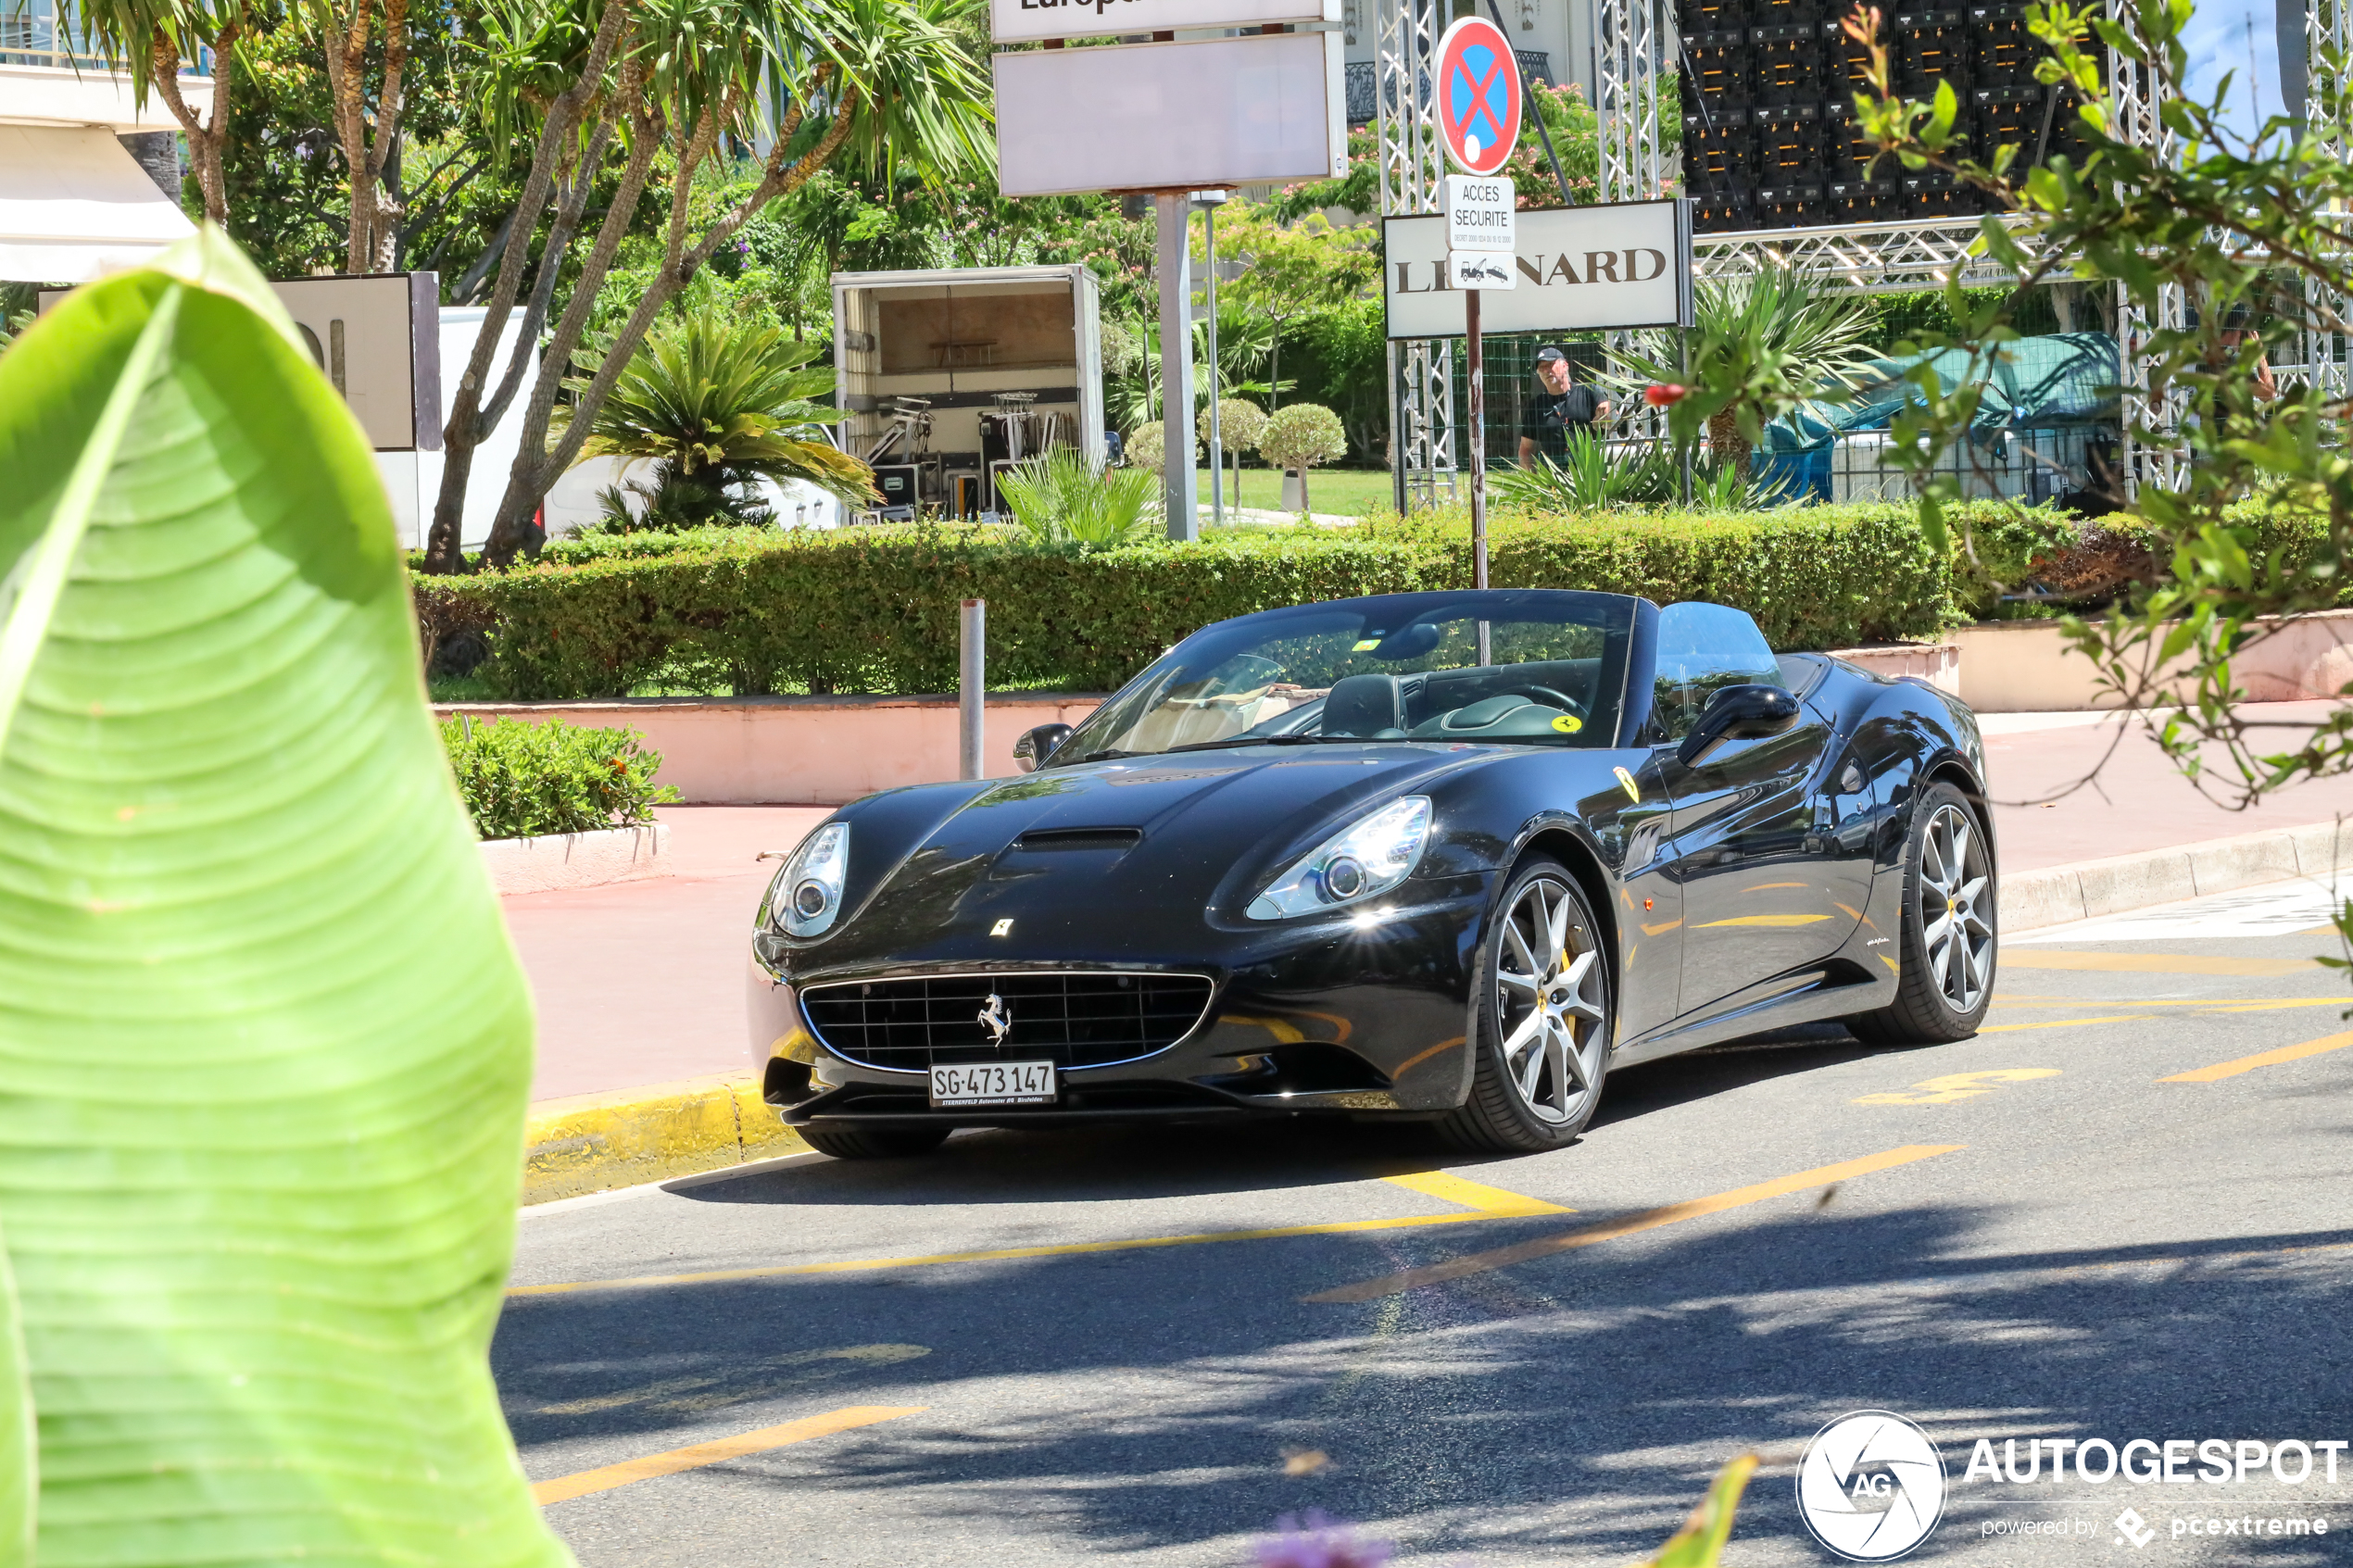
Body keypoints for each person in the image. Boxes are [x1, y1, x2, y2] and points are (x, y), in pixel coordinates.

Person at [1518, 345, 1613, 466]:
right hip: (1554, 479)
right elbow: (1526, 450)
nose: (1546, 371)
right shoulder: (1536, 405)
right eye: (1541, 368)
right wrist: (1534, 482)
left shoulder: (1588, 391)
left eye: (1550, 365)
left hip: (1590, 476)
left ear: (1565, 366)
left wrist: (1605, 415)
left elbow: (1609, 412)